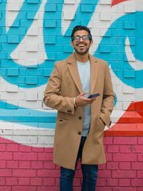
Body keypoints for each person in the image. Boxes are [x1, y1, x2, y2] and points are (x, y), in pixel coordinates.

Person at [43, 25, 115, 191]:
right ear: (72, 42)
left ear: (91, 41)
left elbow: (109, 95)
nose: (80, 40)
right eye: (76, 37)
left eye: (84, 37)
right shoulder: (61, 66)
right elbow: (48, 97)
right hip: (69, 131)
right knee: (67, 175)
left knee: (91, 176)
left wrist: (103, 118)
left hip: (92, 131)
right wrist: (74, 102)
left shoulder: (102, 66)